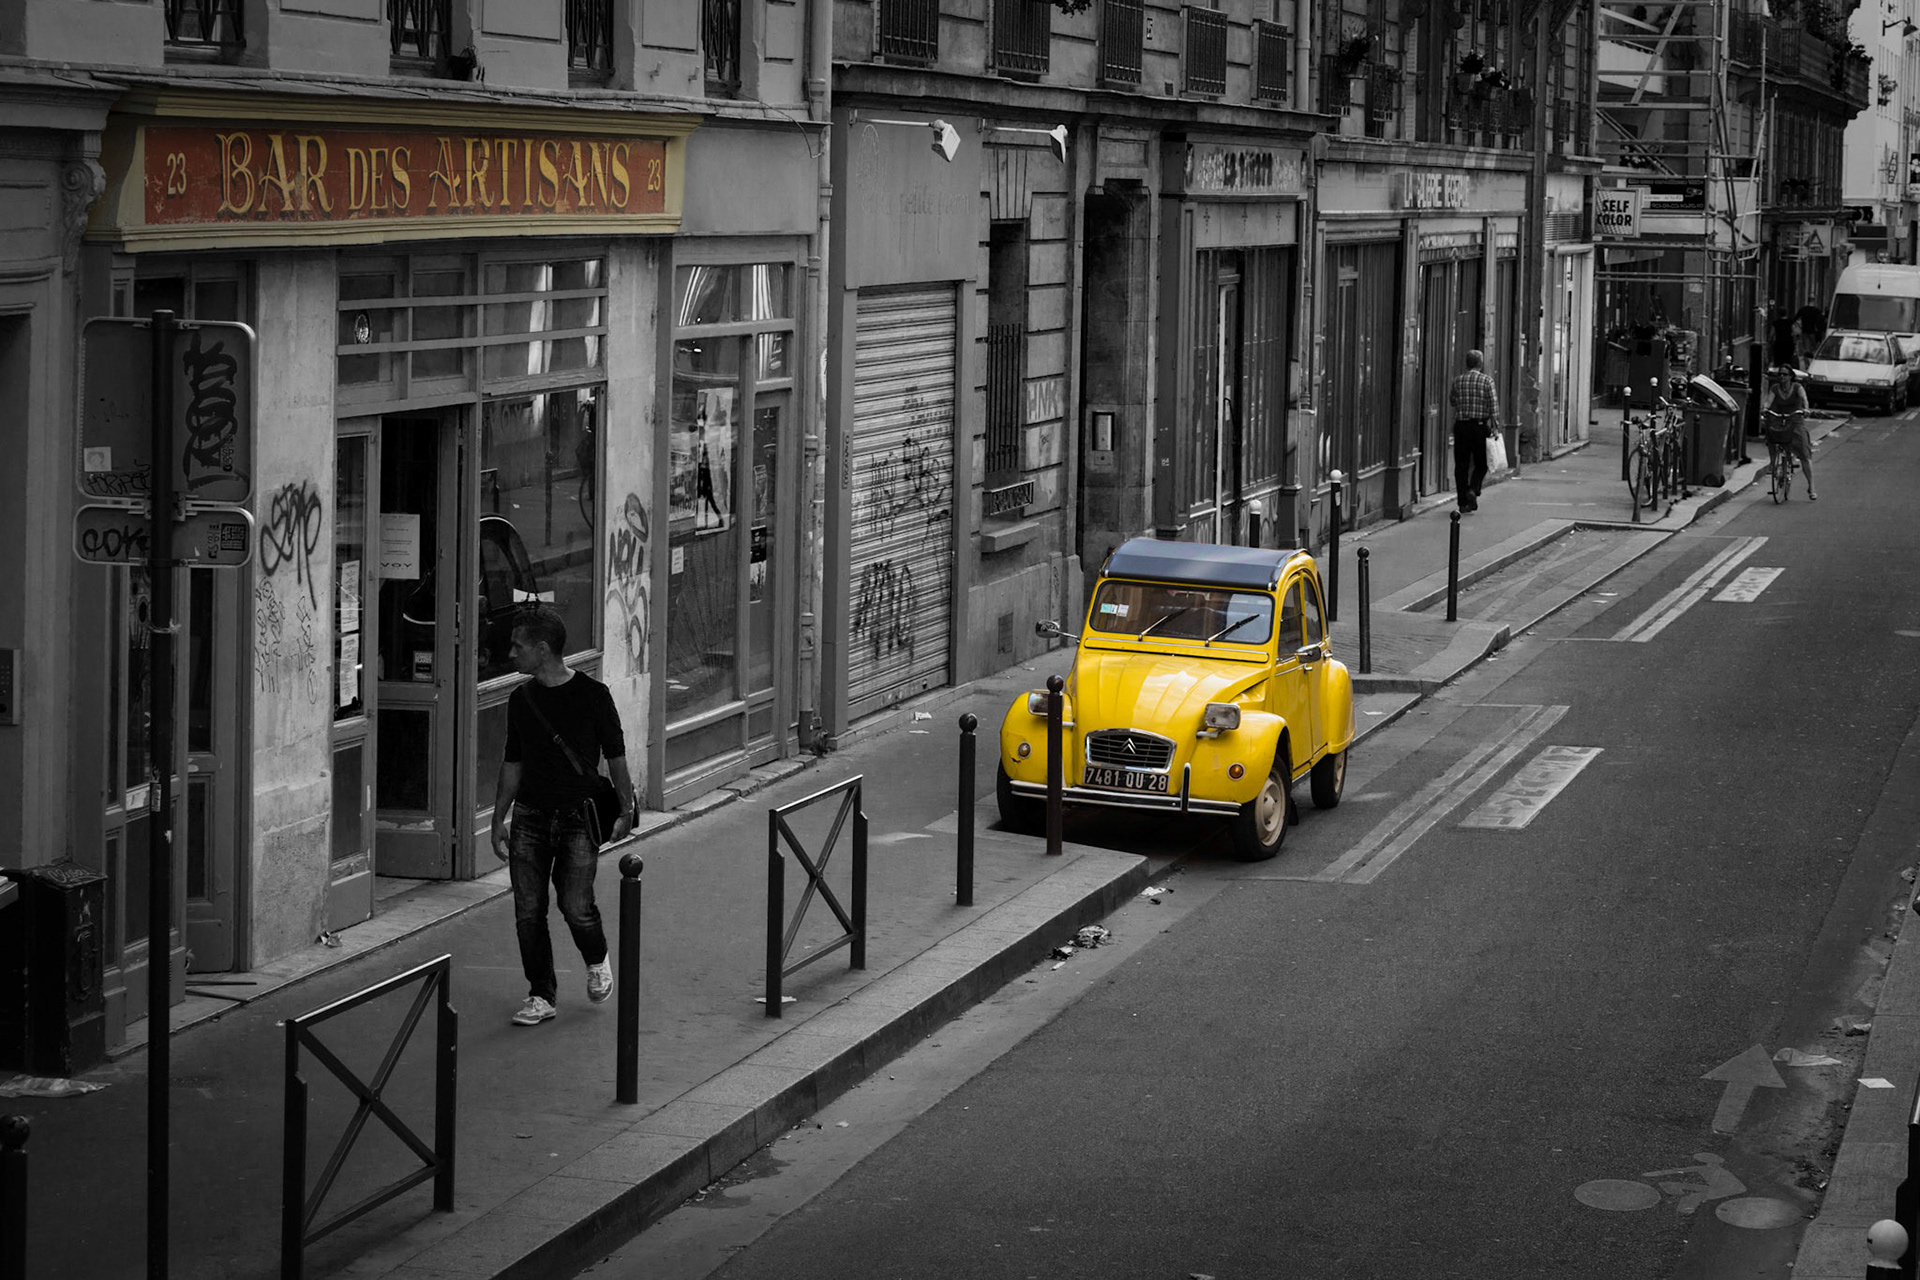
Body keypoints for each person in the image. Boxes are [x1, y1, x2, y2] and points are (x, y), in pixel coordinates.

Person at [491, 605, 636, 1026]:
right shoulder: (521, 700)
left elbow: (616, 756)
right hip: (531, 818)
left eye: (518, 646)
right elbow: (512, 762)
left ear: (541, 649)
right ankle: (541, 994)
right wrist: (498, 818)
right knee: (528, 911)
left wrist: (625, 810)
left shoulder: (594, 696)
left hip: (578, 818)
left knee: (575, 906)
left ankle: (596, 959)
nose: (511, 652)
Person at [1447, 349, 1499, 513]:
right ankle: (1473, 488)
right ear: (1480, 363)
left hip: (1461, 426)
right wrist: (1496, 427)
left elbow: (1453, 401)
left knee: (1461, 465)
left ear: (1466, 363)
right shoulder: (1487, 381)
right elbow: (1493, 406)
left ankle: (1463, 502)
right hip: (1479, 426)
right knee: (1482, 463)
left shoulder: (1458, 381)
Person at [1763, 364, 1816, 500]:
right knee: (1771, 435)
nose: (1782, 377)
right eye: (1780, 374)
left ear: (1791, 376)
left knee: (1804, 452)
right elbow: (1769, 401)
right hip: (1779, 418)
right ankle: (1773, 462)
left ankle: (1811, 486)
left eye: (1785, 374)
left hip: (1795, 419)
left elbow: (1804, 399)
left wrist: (1805, 409)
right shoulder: (1775, 388)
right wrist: (1765, 408)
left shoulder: (1798, 387)